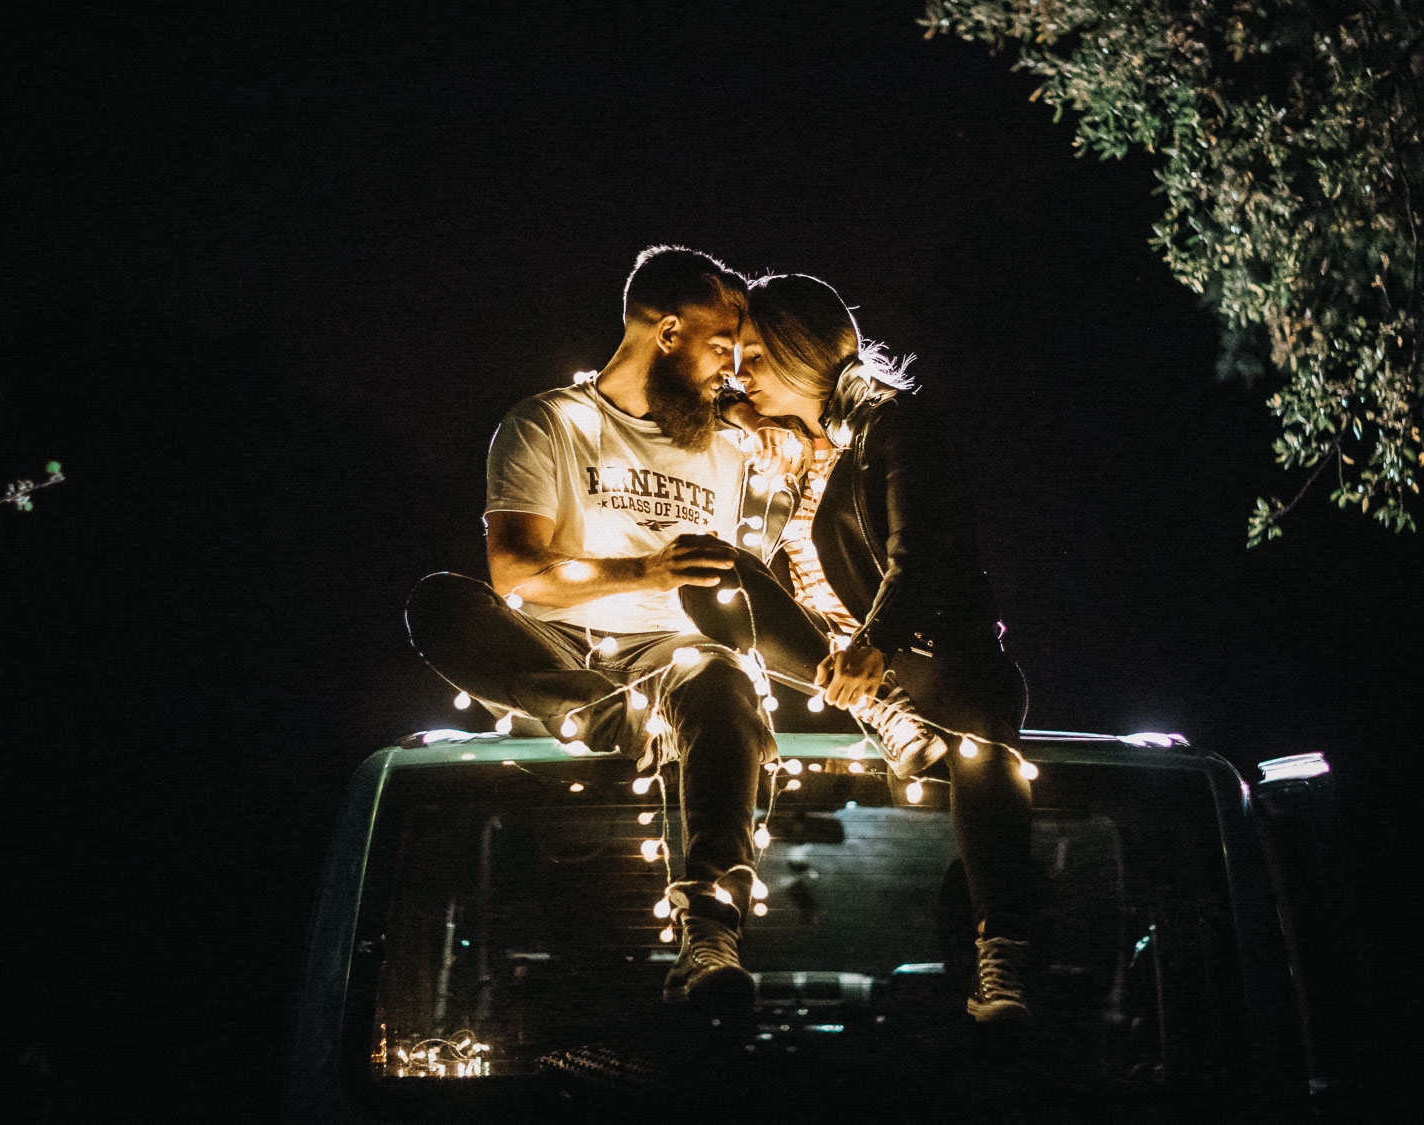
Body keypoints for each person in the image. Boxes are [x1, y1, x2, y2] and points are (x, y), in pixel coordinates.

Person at [404, 246, 775, 1017]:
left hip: (673, 655)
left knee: (721, 679)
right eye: (719, 347)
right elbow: (515, 572)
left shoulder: (735, 443)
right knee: (442, 604)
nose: (730, 370)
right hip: (555, 651)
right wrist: (650, 569)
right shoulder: (546, 424)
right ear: (668, 332)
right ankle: (610, 716)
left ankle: (708, 933)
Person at [690, 272, 1039, 1023]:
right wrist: (749, 417)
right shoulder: (788, 454)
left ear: (798, 350)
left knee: (981, 742)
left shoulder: (893, 424)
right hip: (848, 676)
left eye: (753, 356)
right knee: (705, 566)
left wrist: (876, 647)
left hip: (932, 659)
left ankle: (1000, 965)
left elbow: (920, 553)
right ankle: (886, 716)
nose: (738, 374)